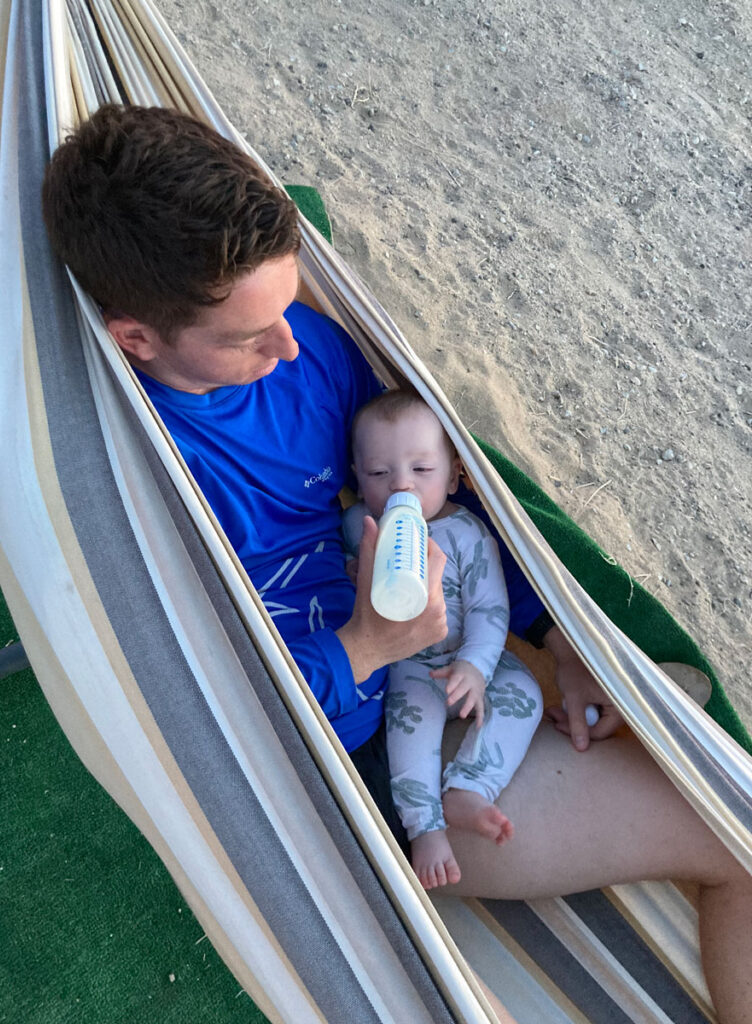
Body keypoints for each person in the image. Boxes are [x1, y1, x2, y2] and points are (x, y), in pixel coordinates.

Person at [42, 103, 752, 1023]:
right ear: (134, 338)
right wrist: (369, 647)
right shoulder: (124, 473)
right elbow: (206, 727)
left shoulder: (309, 352)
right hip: (356, 765)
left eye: (289, 305)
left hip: (431, 657)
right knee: (736, 845)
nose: (291, 346)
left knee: (716, 798)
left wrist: (554, 637)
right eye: (249, 337)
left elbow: (424, 492)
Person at [346, 391, 543, 888]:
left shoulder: (467, 533)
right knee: (407, 733)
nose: (401, 486)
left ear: (454, 474)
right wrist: (353, 574)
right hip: (409, 662)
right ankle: (425, 829)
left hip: (469, 657)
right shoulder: (358, 526)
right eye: (379, 474)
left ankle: (469, 787)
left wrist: (476, 667)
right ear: (356, 475)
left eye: (421, 470)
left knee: (525, 695)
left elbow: (489, 609)